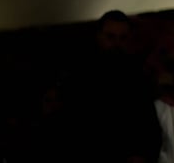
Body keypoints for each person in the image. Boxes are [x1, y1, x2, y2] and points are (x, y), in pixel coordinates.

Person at [61, 9, 162, 163]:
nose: (116, 43)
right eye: (110, 37)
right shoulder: (79, 75)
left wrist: (141, 155)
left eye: (122, 38)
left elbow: (148, 124)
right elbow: (70, 124)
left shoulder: (137, 77)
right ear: (99, 36)